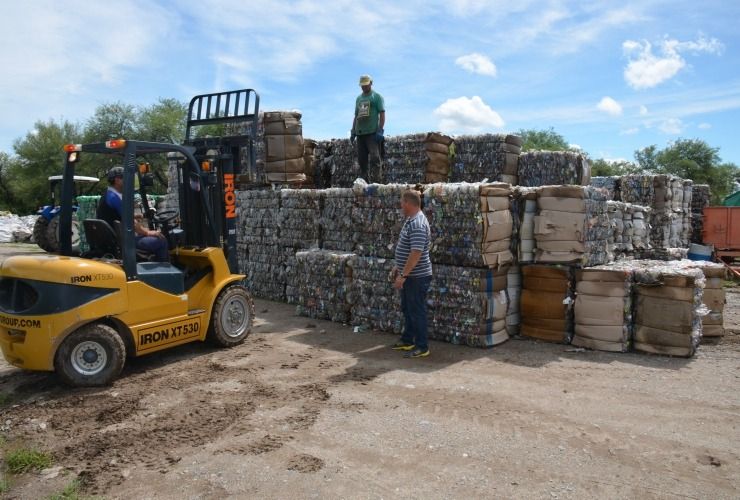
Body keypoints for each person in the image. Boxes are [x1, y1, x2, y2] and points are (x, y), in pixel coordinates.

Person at [391, 190, 433, 358]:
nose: (400, 205)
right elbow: (406, 249)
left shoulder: (418, 224)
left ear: (408, 203)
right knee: (407, 309)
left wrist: (403, 276)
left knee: (417, 311)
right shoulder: (410, 220)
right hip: (410, 276)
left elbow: (416, 254)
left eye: (402, 202)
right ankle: (408, 340)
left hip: (416, 277)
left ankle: (422, 346)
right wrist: (397, 266)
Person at [97, 166, 169, 261]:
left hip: (115, 239)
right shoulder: (114, 198)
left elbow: (118, 215)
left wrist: (141, 216)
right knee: (161, 240)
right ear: (118, 180)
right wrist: (147, 232)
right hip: (122, 242)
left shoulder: (108, 194)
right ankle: (163, 272)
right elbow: (131, 222)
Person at [351, 74, 385, 183]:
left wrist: (380, 129)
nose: (364, 87)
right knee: (362, 160)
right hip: (360, 133)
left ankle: (376, 182)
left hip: (372, 133)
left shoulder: (377, 97)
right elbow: (356, 116)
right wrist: (353, 131)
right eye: (362, 86)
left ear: (371, 83)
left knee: (375, 158)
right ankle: (364, 181)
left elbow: (382, 114)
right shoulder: (359, 98)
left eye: (366, 85)